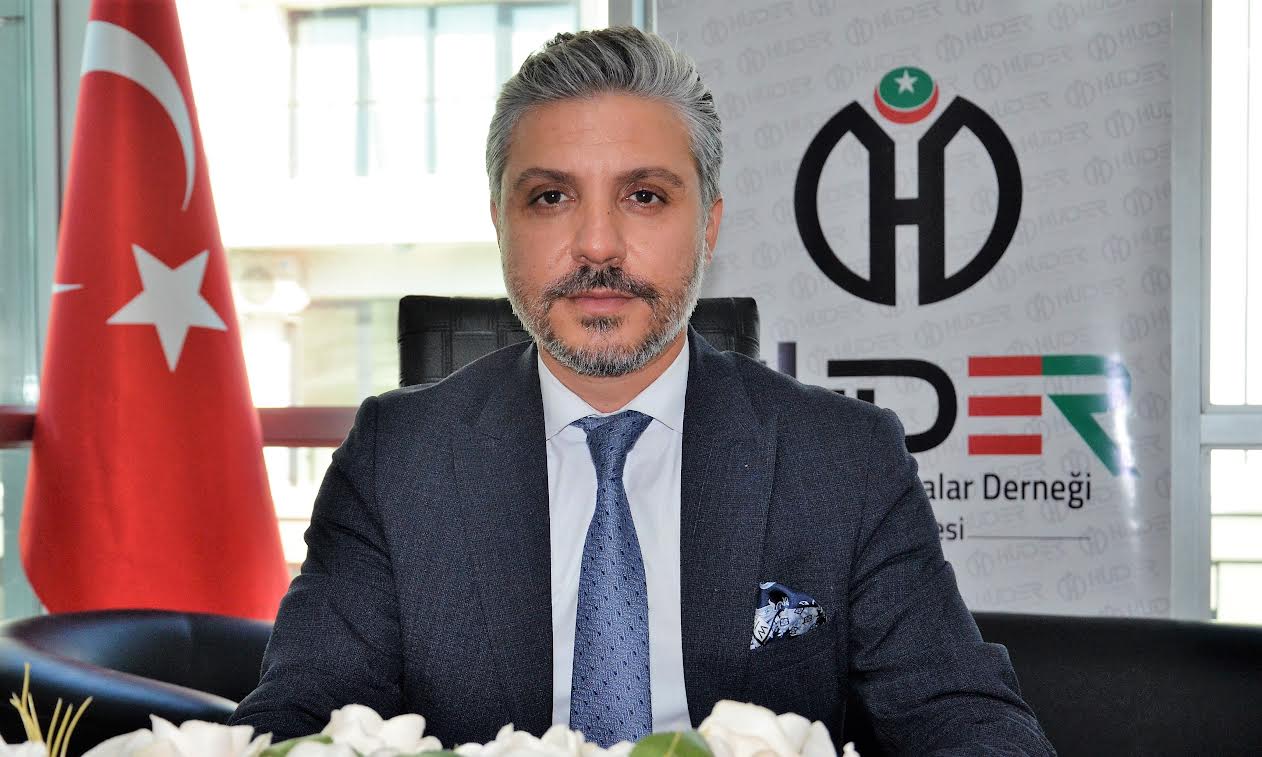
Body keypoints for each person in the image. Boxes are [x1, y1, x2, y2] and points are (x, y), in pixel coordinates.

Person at [231, 27, 1053, 755]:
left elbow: (968, 721)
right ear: (500, 223)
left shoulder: (843, 459)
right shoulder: (398, 459)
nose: (598, 244)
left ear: (710, 225)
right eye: (551, 197)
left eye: (645, 196)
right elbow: (295, 725)